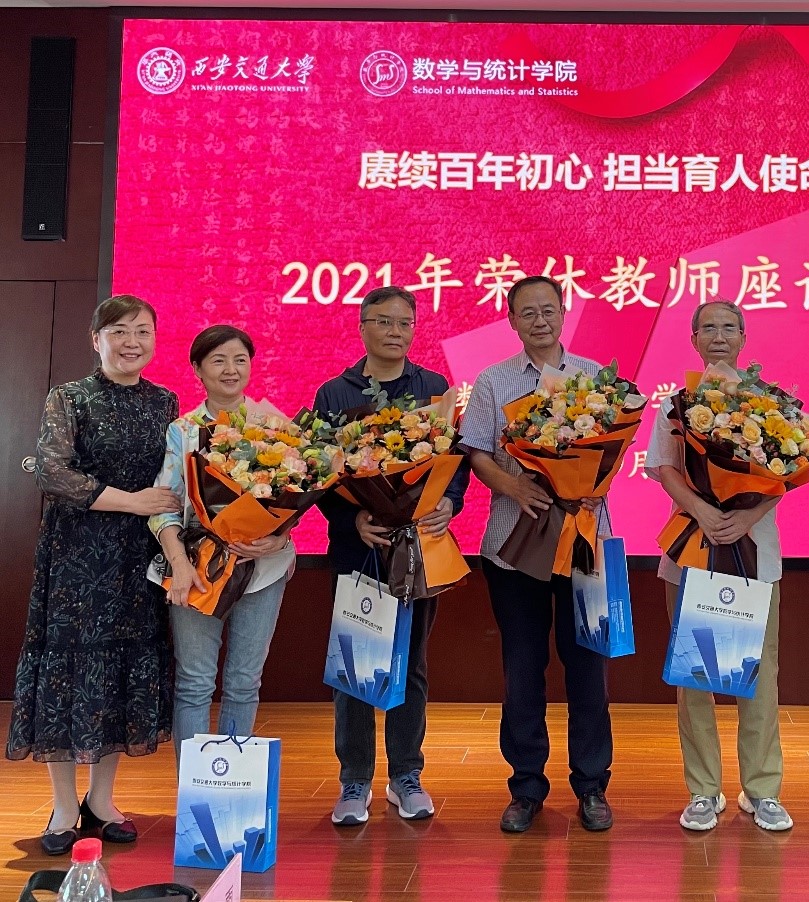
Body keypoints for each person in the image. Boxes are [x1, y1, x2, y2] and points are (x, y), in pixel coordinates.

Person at [6, 295, 181, 856]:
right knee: (67, 669)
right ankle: (63, 806)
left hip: (137, 556)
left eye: (143, 331)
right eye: (120, 331)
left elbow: (172, 476)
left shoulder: (165, 401)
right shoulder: (70, 397)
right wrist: (132, 501)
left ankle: (102, 801)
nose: (133, 341)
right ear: (96, 339)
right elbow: (52, 472)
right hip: (77, 556)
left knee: (120, 670)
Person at [460, 275, 614, 833]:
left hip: (583, 540)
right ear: (512, 320)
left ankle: (592, 785)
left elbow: (613, 451)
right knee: (523, 668)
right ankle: (526, 787)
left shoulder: (595, 377)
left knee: (587, 666)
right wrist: (513, 486)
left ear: (564, 311)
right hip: (514, 544)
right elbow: (475, 451)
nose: (540, 320)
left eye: (548, 309)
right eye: (528, 312)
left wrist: (593, 484)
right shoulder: (493, 381)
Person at [314, 286, 470, 826]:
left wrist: (449, 503)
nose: (395, 331)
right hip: (358, 550)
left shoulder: (434, 388)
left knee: (412, 662)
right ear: (362, 327)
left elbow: (455, 460)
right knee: (354, 666)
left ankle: (406, 774)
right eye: (384, 321)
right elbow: (318, 471)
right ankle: (354, 779)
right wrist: (352, 518)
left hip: (419, 547)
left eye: (405, 322)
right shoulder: (335, 392)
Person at [645, 300, 793, 832]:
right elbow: (663, 468)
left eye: (730, 327)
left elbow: (787, 471)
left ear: (744, 337)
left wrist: (746, 515)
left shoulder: (771, 402)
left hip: (755, 550)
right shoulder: (675, 404)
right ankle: (703, 790)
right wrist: (704, 511)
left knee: (761, 674)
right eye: (708, 327)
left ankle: (762, 789)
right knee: (695, 674)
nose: (719, 336)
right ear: (693, 339)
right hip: (692, 546)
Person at [150, 325, 294, 758]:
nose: (231, 369)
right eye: (218, 360)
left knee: (245, 681)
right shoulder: (182, 430)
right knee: (194, 682)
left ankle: (233, 785)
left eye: (240, 360)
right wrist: (179, 565)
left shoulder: (275, 426)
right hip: (199, 569)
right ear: (197, 369)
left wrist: (279, 536)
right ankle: (193, 788)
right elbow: (163, 507)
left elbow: (297, 497)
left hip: (262, 569)